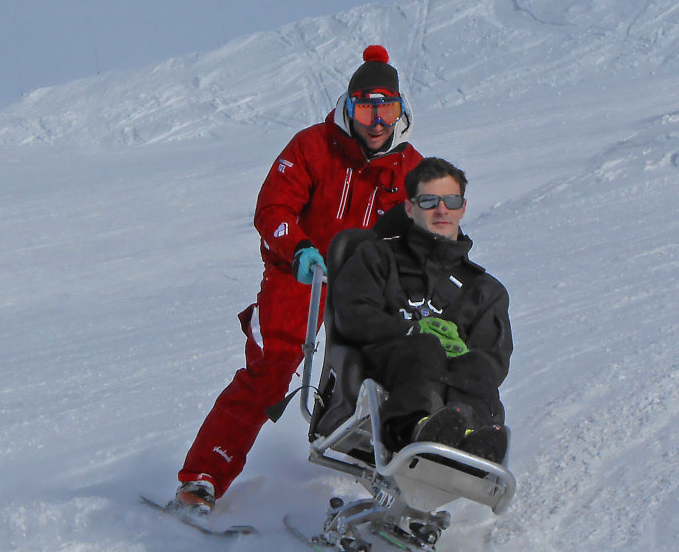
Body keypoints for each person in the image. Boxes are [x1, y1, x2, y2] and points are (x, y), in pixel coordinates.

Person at [173, 45, 424, 514]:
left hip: (361, 283)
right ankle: (203, 476)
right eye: (365, 109)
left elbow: (421, 234)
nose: (376, 122)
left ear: (400, 110)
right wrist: (299, 247)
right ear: (348, 107)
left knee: (383, 371)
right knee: (274, 365)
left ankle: (389, 478)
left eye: (386, 110)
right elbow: (273, 208)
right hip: (301, 270)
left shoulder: (409, 168)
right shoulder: (313, 146)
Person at [328, 157, 513, 463]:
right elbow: (353, 315)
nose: (442, 210)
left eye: (451, 201)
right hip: (383, 374)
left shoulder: (484, 290)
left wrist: (460, 352)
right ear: (409, 208)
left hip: (455, 391)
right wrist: (410, 330)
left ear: (463, 208)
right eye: (429, 201)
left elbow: (494, 358)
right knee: (425, 347)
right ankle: (415, 428)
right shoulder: (377, 258)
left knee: (477, 366)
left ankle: (473, 439)